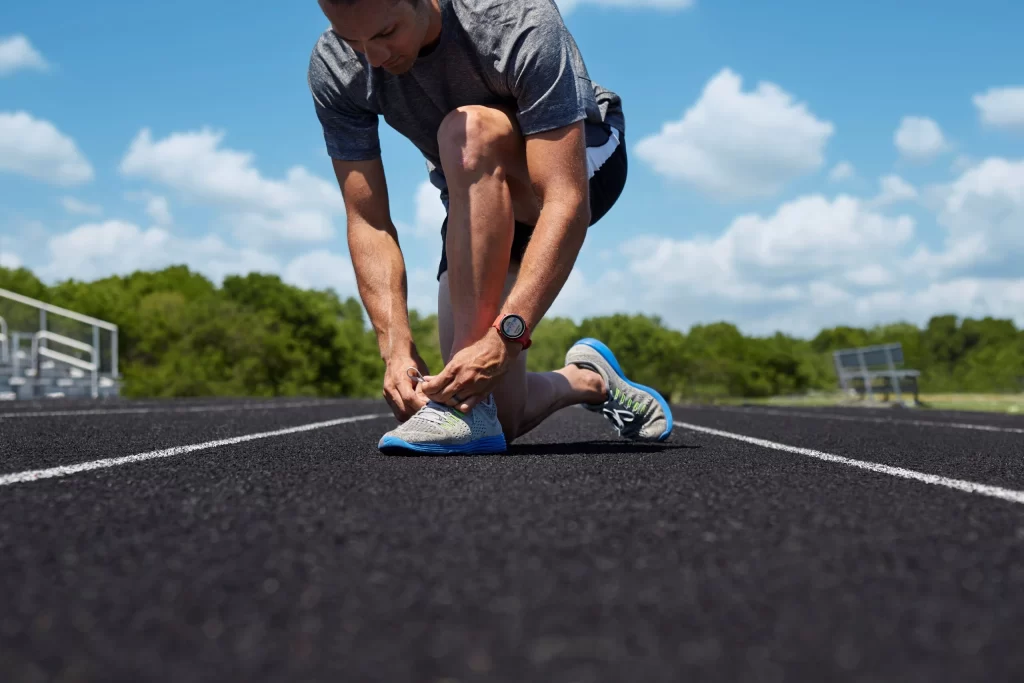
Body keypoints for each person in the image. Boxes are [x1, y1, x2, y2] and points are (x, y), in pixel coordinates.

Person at [308, 0, 673, 454]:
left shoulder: (515, 18)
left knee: (467, 129)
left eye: (385, 34)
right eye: (351, 40)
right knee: (490, 409)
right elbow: (368, 221)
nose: (372, 58)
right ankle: (589, 380)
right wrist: (395, 347)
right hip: (475, 191)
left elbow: (566, 201)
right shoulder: (335, 66)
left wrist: (508, 337)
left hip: (578, 164)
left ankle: (471, 398)